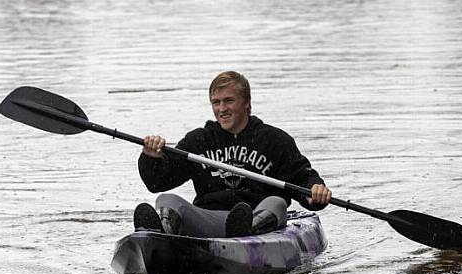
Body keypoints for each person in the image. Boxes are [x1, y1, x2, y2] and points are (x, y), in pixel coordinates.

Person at [133, 71, 332, 238]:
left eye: (229, 101)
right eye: (216, 102)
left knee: (277, 203)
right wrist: (151, 156)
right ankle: (163, 238)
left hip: (259, 220)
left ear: (246, 102)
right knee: (167, 200)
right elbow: (157, 183)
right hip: (210, 219)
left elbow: (303, 178)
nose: (222, 109)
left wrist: (314, 190)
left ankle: (247, 230)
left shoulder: (275, 140)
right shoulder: (198, 140)